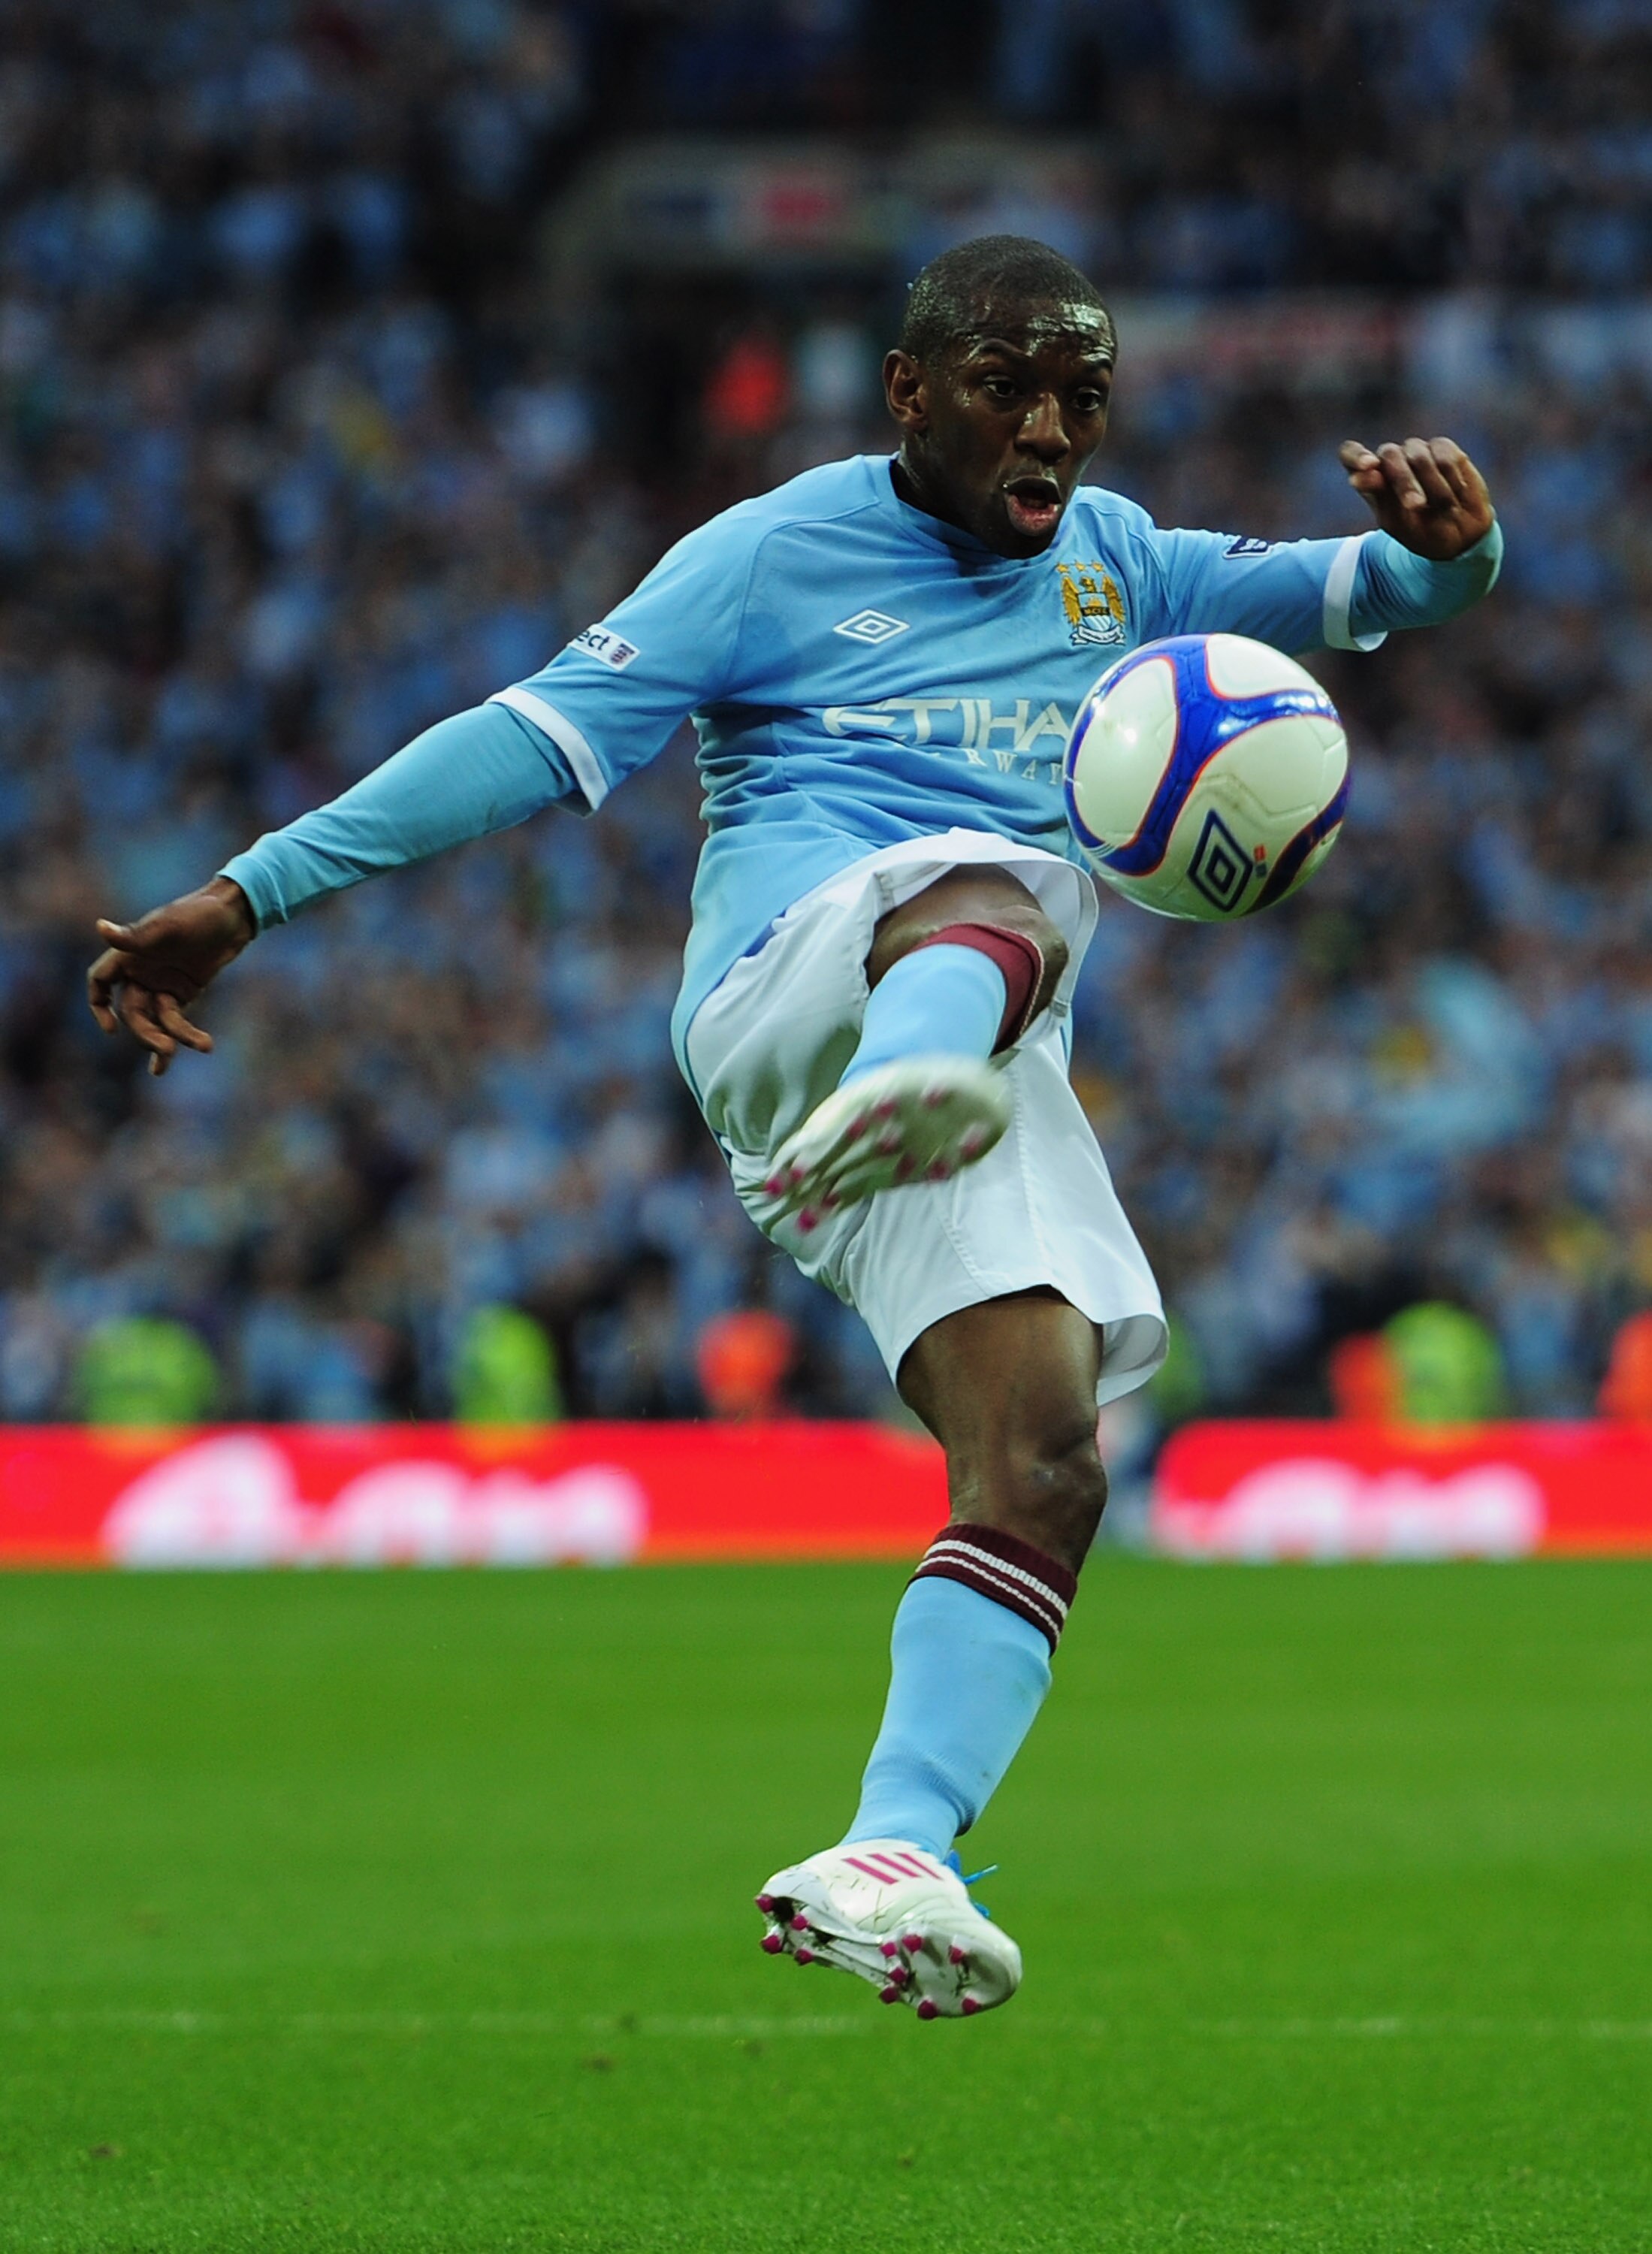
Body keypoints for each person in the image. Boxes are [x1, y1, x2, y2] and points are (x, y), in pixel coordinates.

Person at [87, 234, 1503, 2020]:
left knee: (1048, 1452)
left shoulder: (1119, 562)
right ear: (907, 393)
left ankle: (888, 1849)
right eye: (1006, 386)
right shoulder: (765, 555)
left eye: (1082, 394)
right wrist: (252, 892)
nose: (1049, 429)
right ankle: (911, 1072)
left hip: (969, 1058)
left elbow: (1367, 590)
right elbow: (523, 739)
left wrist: (1458, 553)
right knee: (995, 882)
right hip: (800, 989)